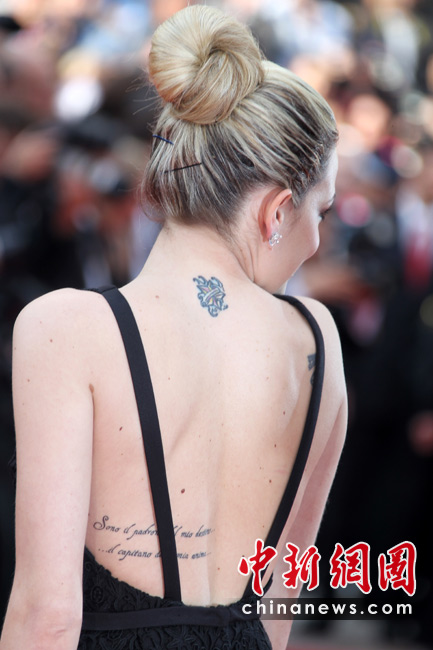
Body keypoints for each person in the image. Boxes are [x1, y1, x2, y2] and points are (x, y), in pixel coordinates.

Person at [0, 5, 346, 650]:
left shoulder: (64, 328)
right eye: (319, 212)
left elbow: (48, 616)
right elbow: (280, 596)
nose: (317, 240)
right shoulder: (316, 341)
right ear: (277, 210)